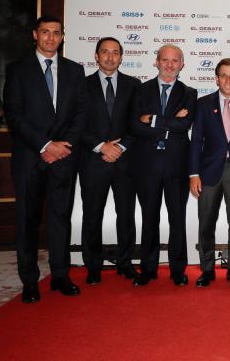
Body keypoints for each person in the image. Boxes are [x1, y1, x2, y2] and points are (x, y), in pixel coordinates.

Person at [4, 15, 86, 304]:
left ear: (63, 37)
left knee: (60, 218)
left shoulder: (75, 71)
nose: (51, 37)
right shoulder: (17, 70)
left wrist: (63, 147)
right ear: (35, 35)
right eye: (45, 32)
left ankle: (60, 275)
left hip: (64, 157)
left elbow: (80, 115)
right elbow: (13, 115)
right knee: (28, 219)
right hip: (30, 157)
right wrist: (44, 144)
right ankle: (29, 280)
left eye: (56, 33)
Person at [130, 44, 196, 287]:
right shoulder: (140, 90)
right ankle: (148, 269)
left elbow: (185, 124)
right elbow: (135, 126)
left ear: (182, 65)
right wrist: (170, 122)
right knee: (149, 218)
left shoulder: (189, 92)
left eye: (175, 61)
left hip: (177, 166)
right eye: (165, 60)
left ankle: (178, 270)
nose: (169, 65)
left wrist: (153, 120)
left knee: (177, 218)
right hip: (146, 165)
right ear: (156, 62)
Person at [78, 37, 141, 284]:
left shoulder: (133, 85)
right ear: (96, 56)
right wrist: (101, 146)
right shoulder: (81, 86)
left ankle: (125, 262)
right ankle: (93, 265)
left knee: (126, 215)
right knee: (92, 214)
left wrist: (121, 146)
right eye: (105, 52)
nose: (110, 57)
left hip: (125, 162)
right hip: (93, 160)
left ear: (121, 57)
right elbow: (76, 123)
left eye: (115, 52)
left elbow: (137, 123)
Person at [189, 58, 230, 288]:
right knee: (206, 222)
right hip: (208, 172)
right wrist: (193, 173)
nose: (228, 80)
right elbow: (196, 141)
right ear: (216, 78)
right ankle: (207, 269)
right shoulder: (203, 104)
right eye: (223, 75)